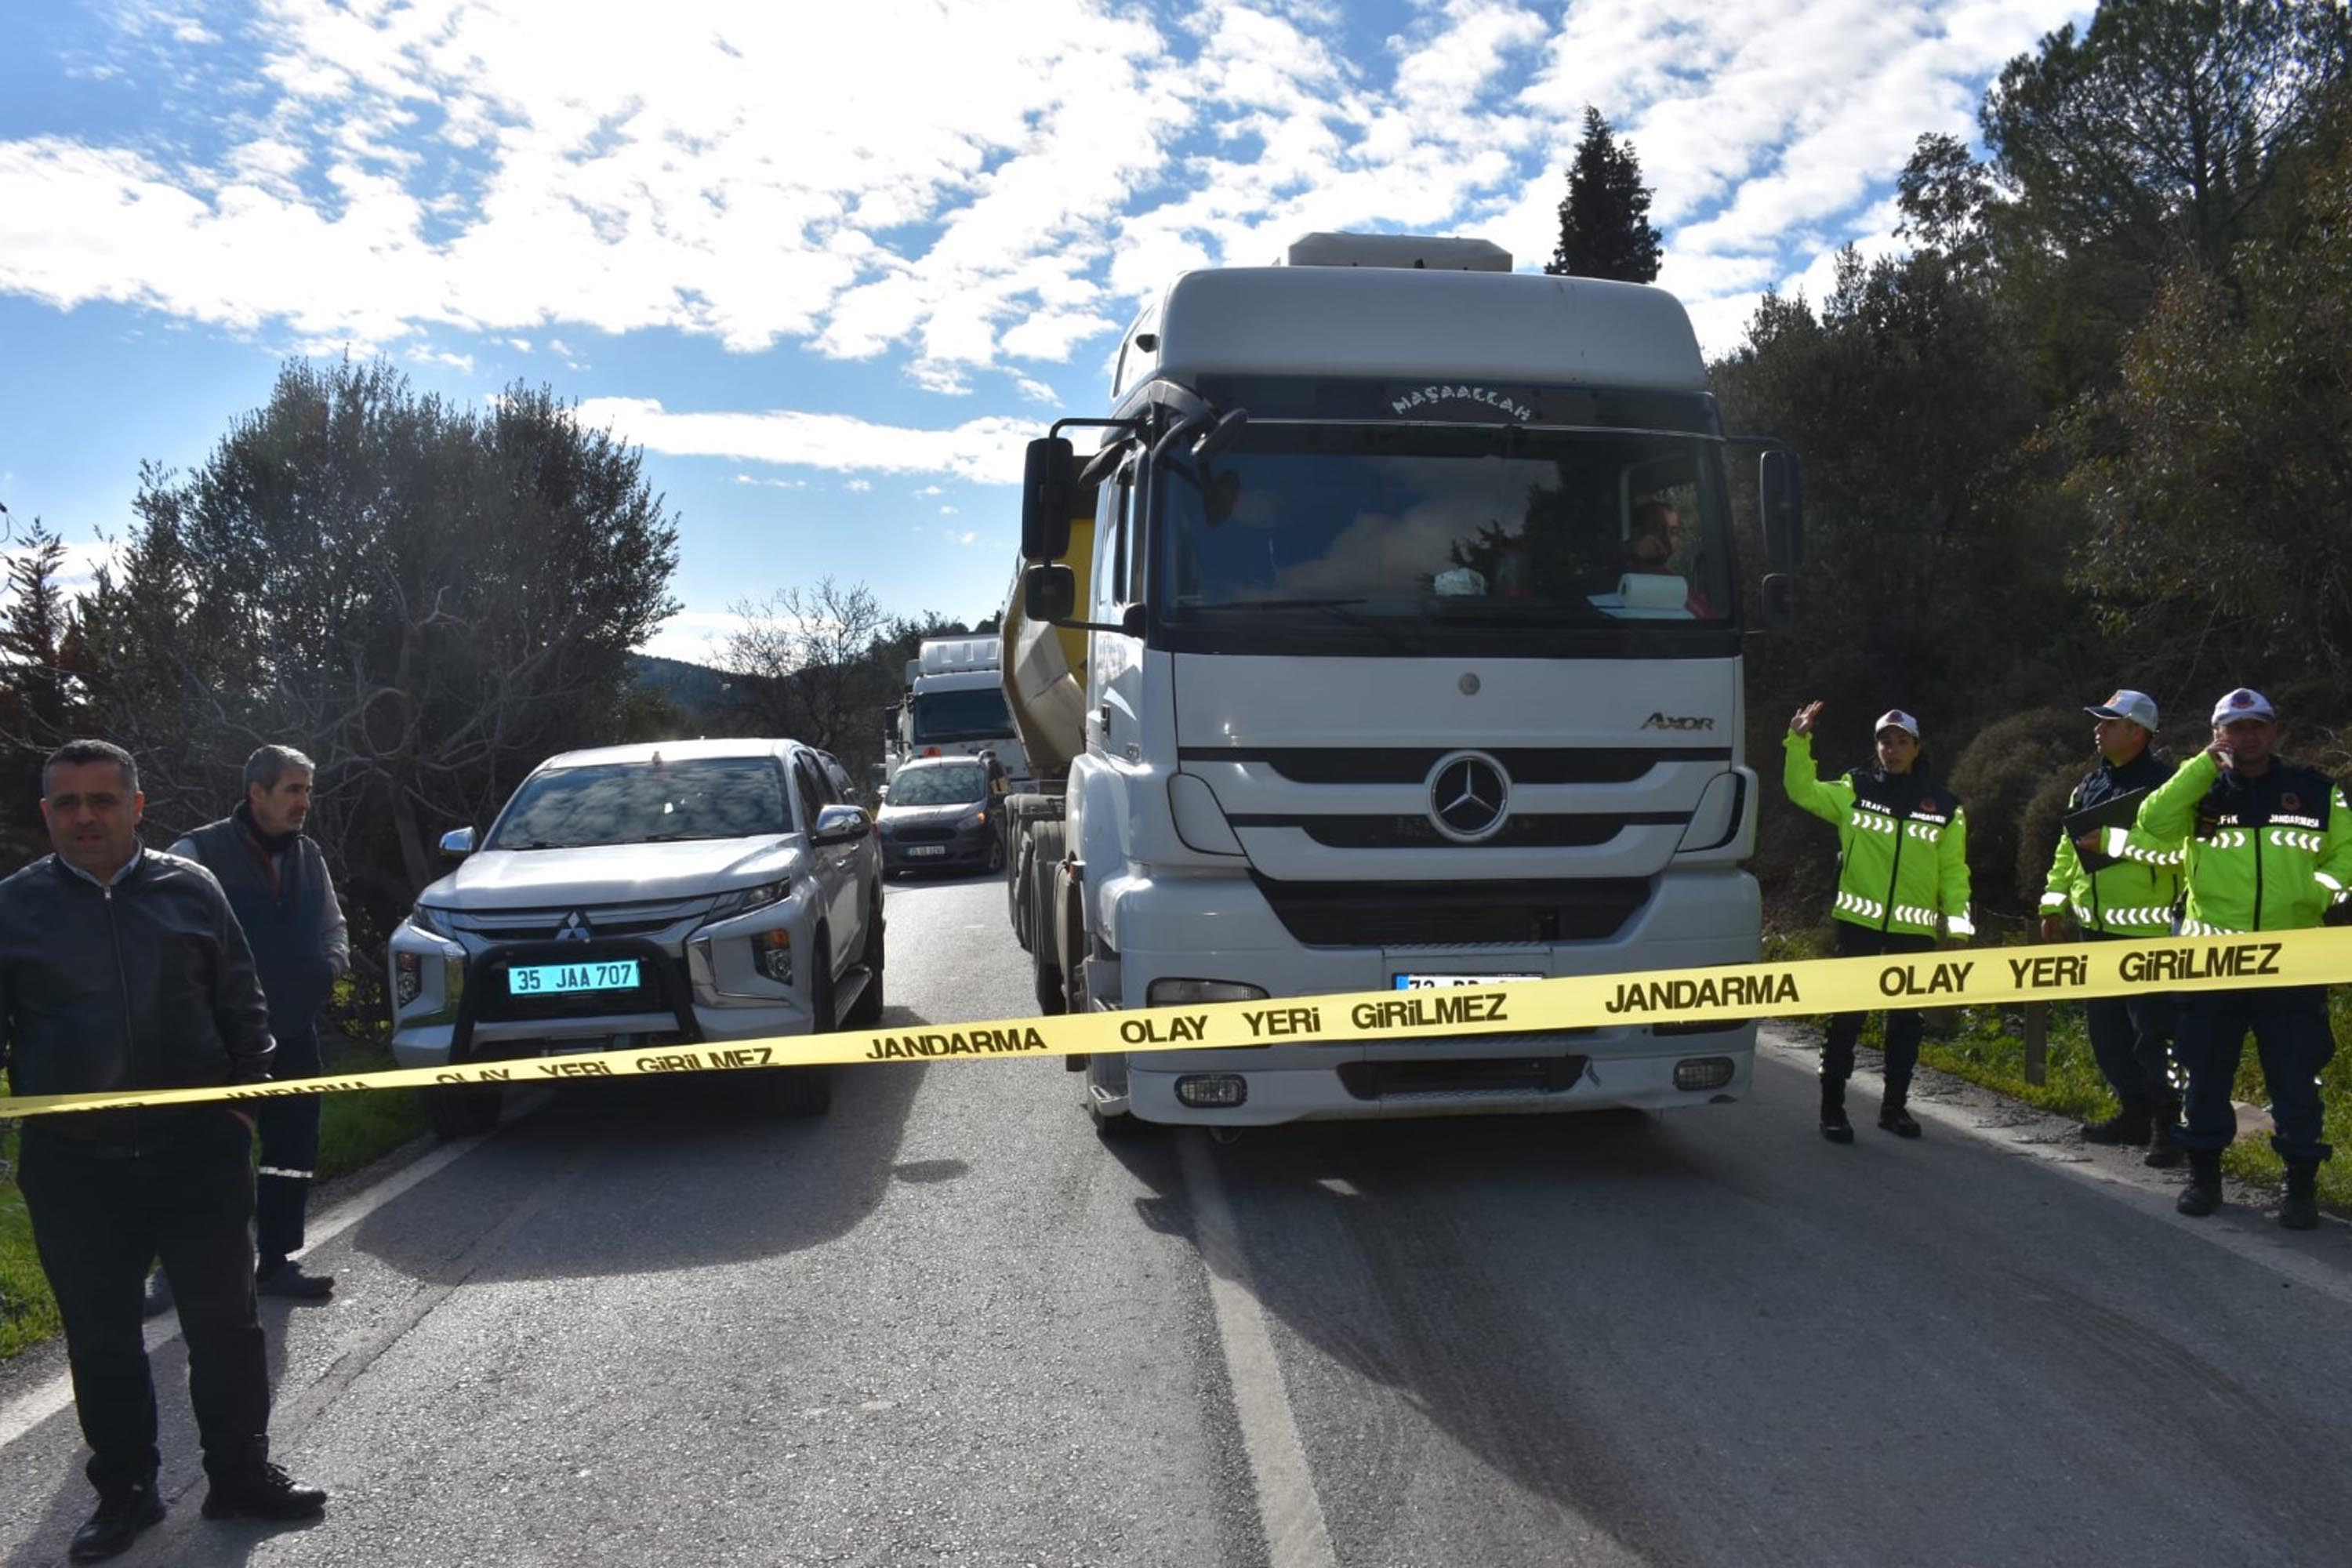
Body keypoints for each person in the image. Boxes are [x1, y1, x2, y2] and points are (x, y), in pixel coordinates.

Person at [0, 739, 326, 1562]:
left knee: (227, 1327)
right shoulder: (14, 908)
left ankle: (240, 1475)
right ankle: (127, 1491)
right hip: (73, 1165)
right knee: (102, 1338)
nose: (84, 815)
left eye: (102, 799)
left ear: (137, 806)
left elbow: (243, 1003)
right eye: (66, 802)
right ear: (47, 814)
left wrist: (245, 1104)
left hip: (198, 1154)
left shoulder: (193, 887)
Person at [2108, 688, 2352, 1228]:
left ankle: (2299, 1186)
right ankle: (2204, 1177)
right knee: (2205, 1074)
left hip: (2292, 959)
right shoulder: (2199, 788)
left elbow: (2346, 852)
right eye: (2235, 728)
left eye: (2257, 726)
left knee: (2297, 1076)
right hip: (2212, 962)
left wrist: (2317, 892)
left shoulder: (2314, 790)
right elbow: (2151, 821)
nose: (2248, 736)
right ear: (2219, 733)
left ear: (2274, 730)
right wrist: (2203, 766)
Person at [169, 745, 349, 1301]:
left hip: (294, 1029)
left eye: (307, 791)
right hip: (218, 1042)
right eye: (293, 790)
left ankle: (275, 1262)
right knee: (207, 1154)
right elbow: (166, 945)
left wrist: (329, 967)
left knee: (292, 1152)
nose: (305, 803)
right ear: (257, 793)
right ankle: (181, 1270)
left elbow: (331, 923)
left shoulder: (308, 853)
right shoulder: (194, 853)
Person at [1784, 702, 1975, 1142]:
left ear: (1917, 747)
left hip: (1915, 930)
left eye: (1901, 742)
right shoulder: (1856, 788)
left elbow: (1954, 872)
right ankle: (1833, 1110)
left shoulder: (1945, 805)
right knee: (1847, 1018)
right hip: (1859, 924)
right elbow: (1802, 790)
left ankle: (1895, 1109)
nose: (1892, 749)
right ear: (1877, 747)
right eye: (1885, 742)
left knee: (1907, 1022)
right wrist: (1798, 741)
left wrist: (1960, 927)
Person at [2037, 690, 2182, 1165]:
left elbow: (2179, 852)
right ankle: (2134, 1114)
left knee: (2153, 1033)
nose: (2097, 728)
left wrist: (2119, 841)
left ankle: (2167, 1125)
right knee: (2106, 1032)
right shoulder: (2090, 783)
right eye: (2098, 721)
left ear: (2137, 732)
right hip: (2093, 927)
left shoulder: (2169, 787)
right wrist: (2052, 902)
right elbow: (2067, 850)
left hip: (2147, 931)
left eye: (2108, 722)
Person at [1621, 499, 1718, 618]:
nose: (1666, 540)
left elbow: (1707, 620)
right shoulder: (1618, 575)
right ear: (1637, 533)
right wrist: (1631, 552)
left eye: (1673, 532)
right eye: (1658, 530)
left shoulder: (1676, 585)